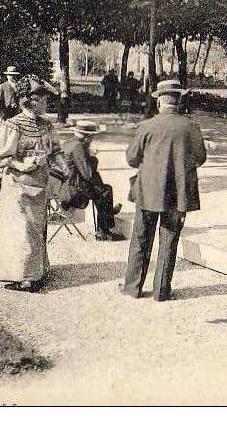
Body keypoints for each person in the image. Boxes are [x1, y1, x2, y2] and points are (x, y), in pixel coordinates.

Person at [121, 80, 207, 301]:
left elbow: (132, 158)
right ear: (178, 101)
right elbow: (200, 158)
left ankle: (132, 288)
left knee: (140, 238)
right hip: (177, 194)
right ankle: (161, 291)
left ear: (159, 101)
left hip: (148, 191)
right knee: (169, 240)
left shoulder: (146, 126)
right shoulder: (191, 127)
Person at [0, 74, 60, 292]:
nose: (46, 102)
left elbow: (56, 153)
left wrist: (57, 181)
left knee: (37, 228)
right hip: (18, 187)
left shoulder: (47, 125)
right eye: (43, 98)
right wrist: (22, 164)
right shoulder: (14, 125)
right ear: (31, 100)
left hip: (40, 185)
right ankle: (23, 276)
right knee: (21, 230)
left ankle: (37, 273)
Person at [59, 120, 124, 241]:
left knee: (102, 189)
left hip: (65, 186)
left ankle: (107, 214)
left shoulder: (69, 142)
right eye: (93, 136)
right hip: (73, 191)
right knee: (105, 191)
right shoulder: (78, 147)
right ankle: (104, 231)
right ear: (88, 137)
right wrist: (92, 158)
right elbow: (87, 173)